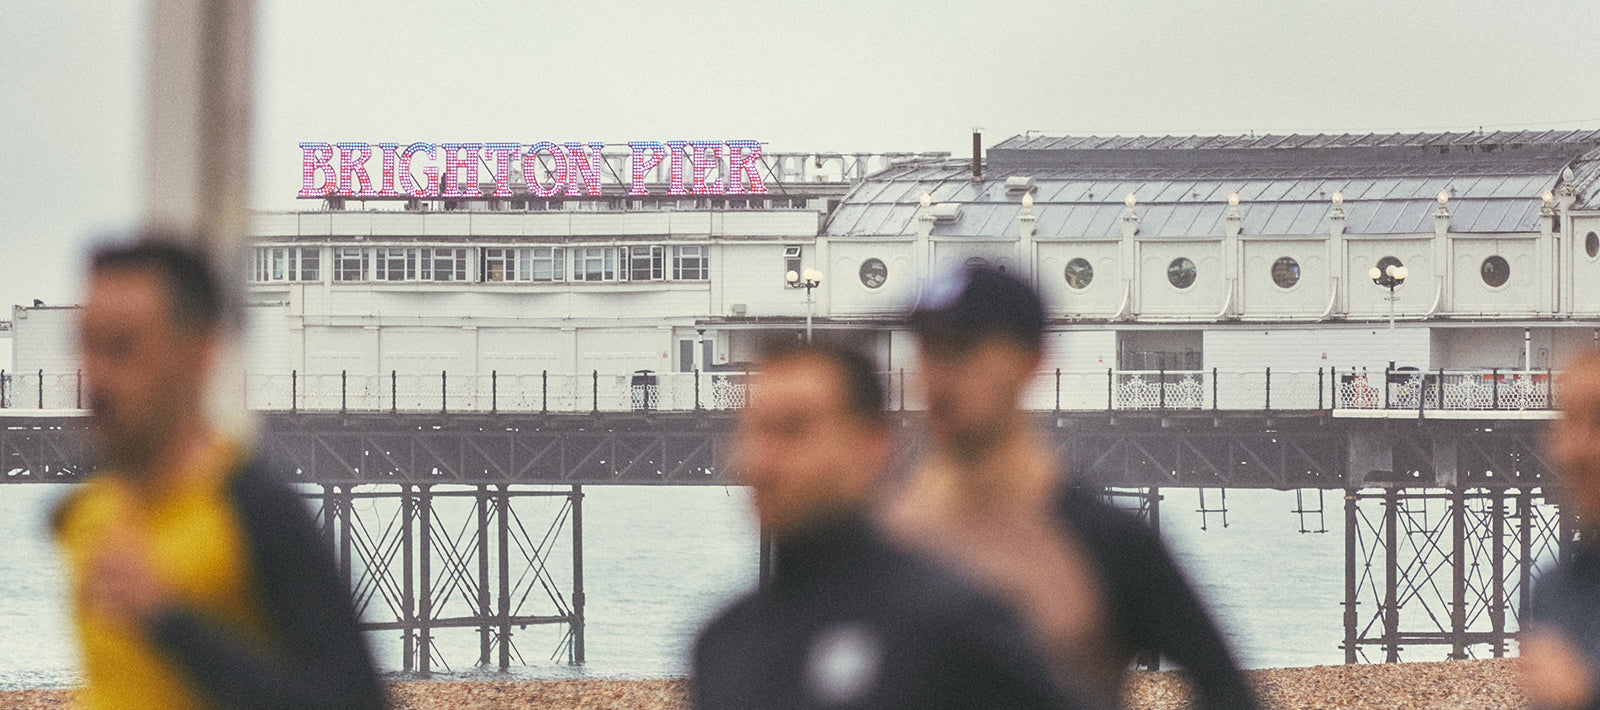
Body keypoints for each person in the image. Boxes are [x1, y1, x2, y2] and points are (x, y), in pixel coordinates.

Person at [881, 266, 1258, 709]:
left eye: (962, 349)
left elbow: (1228, 692)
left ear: (1032, 360)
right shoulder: (874, 534)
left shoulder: (1106, 542)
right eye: (926, 349)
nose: (937, 376)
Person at [52, 239, 386, 710]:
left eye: (123, 347)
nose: (96, 377)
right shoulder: (83, 513)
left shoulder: (257, 511)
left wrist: (169, 621)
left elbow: (355, 700)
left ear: (200, 353)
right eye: (86, 344)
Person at [692, 340, 1091, 710]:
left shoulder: (951, 623)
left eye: (794, 430)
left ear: (872, 445)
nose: (762, 460)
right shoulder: (724, 644)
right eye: (752, 429)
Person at [1520, 348, 1600, 710]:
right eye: (1568, 422)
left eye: (1597, 421)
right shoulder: (1555, 591)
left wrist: (1584, 694)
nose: (1576, 451)